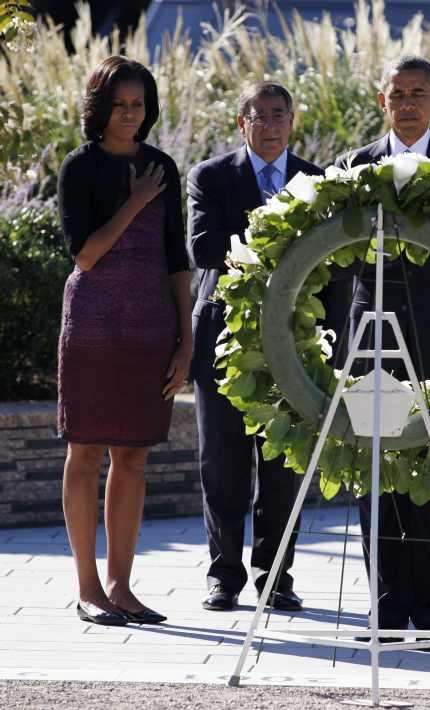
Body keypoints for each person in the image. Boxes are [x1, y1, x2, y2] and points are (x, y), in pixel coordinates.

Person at [336, 56, 430, 639]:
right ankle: (386, 605)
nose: (407, 103)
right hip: (372, 340)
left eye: (418, 93)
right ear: (382, 101)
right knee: (376, 466)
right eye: (396, 93)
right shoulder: (353, 167)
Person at [57, 56, 191, 626]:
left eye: (138, 104)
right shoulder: (79, 167)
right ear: (101, 107)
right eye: (120, 105)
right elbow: (85, 253)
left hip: (149, 329)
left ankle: (122, 587)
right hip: (91, 326)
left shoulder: (162, 164)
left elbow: (176, 259)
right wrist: (136, 200)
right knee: (85, 452)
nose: (131, 115)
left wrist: (185, 340)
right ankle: (88, 587)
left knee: (133, 457)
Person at [187, 81, 324, 612]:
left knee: (283, 468)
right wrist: (281, 237)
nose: (269, 125)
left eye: (278, 115)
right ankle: (224, 576)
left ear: (293, 121)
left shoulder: (317, 181)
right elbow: (204, 248)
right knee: (220, 465)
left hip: (294, 345)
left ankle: (276, 577)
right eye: (257, 115)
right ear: (240, 122)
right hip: (222, 340)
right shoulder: (212, 176)